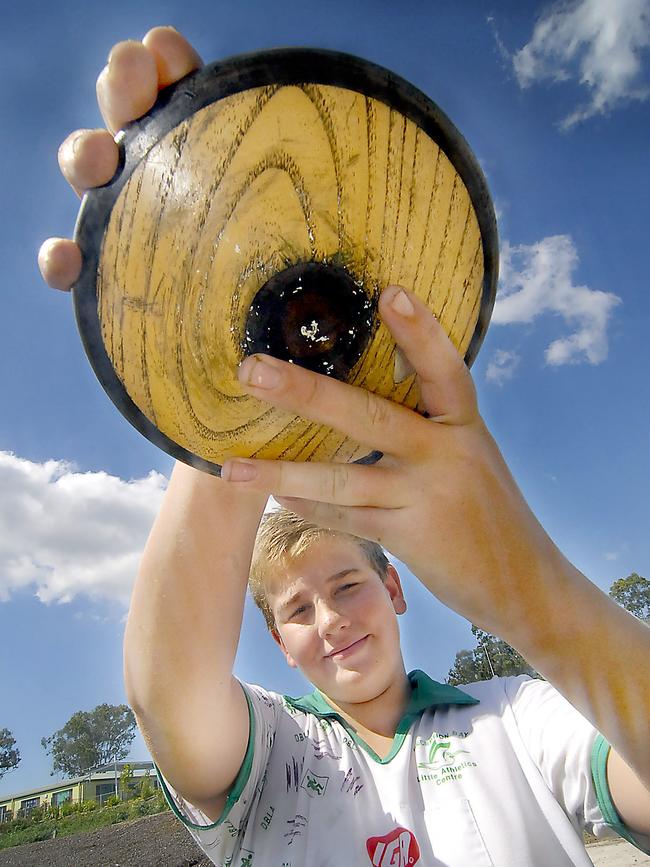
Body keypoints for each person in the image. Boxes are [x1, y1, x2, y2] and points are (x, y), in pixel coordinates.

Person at [39, 27, 650, 867]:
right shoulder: (272, 757)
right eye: (295, 609)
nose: (329, 620)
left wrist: (527, 587)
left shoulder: (515, 715)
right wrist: (204, 327)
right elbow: (166, 702)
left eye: (347, 583)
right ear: (276, 641)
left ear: (396, 585)